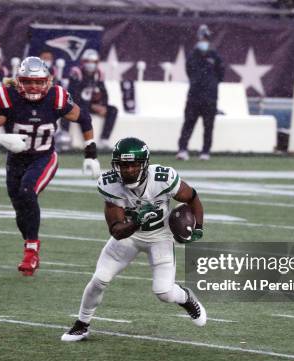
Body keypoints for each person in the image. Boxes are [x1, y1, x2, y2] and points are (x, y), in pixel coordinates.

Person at [61, 137, 206, 341]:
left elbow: (192, 198)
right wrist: (136, 222)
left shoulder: (163, 178)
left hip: (160, 237)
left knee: (163, 292)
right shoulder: (109, 184)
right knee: (99, 279)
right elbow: (117, 231)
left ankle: (185, 297)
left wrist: (198, 226)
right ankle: (82, 324)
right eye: (123, 165)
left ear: (144, 165)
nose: (128, 170)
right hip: (129, 237)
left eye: (133, 165)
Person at [0, 56, 101, 276]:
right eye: (28, 81)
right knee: (19, 208)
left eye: (38, 81)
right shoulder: (9, 97)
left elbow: (85, 118)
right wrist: (2, 139)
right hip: (16, 160)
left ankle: (31, 251)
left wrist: (90, 154)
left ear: (48, 80)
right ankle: (30, 244)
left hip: (44, 157)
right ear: (19, 81)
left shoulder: (57, 97)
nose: (33, 86)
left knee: (27, 192)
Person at [176, 25, 224, 161]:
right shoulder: (193, 55)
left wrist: (210, 84)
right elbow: (189, 71)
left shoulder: (215, 55)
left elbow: (221, 73)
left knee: (208, 126)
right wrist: (199, 82)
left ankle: (205, 151)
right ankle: (183, 149)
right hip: (195, 95)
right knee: (189, 123)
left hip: (209, 96)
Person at [65, 49, 118, 150]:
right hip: (78, 104)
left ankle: (104, 140)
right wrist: (91, 105)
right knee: (70, 108)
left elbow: (104, 93)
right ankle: (82, 140)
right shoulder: (77, 72)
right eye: (88, 61)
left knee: (113, 110)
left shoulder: (98, 74)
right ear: (83, 62)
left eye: (93, 62)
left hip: (90, 105)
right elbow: (73, 96)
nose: (91, 64)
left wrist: (102, 105)